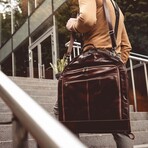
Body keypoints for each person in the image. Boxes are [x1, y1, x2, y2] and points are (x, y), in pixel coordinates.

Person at [66, 0, 133, 148]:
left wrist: (72, 23)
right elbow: (126, 46)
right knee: (119, 123)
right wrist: (114, 66)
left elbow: (87, 21)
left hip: (90, 65)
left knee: (65, 111)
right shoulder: (116, 8)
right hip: (111, 68)